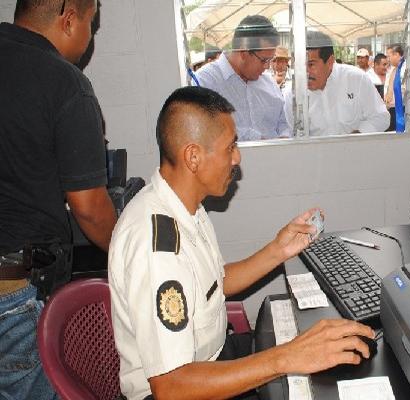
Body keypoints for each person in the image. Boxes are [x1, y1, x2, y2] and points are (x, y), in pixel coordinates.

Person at [108, 86, 375, 400]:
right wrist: (287, 357)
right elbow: (171, 387)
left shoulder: (185, 207)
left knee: (327, 363)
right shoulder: (156, 246)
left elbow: (216, 283)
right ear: (193, 156)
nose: (237, 157)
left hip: (211, 360)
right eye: (230, 146)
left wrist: (279, 249)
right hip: (184, 386)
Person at [0, 0, 117, 398]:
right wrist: (128, 251)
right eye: (91, 25)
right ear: (70, 20)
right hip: (12, 289)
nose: (89, 39)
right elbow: (88, 206)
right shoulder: (65, 82)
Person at [193, 15, 290, 141]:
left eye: (270, 60)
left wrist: (284, 137)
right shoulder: (205, 82)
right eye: (264, 60)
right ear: (243, 52)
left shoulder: (269, 83)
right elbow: (204, 129)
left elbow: (284, 123)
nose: (267, 67)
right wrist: (259, 140)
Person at [284, 31, 389, 136]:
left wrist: (357, 135)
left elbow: (381, 117)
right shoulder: (293, 94)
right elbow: (293, 135)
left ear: (330, 61)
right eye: (300, 65)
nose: (305, 72)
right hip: (314, 151)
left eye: (311, 65)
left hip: (354, 150)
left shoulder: (356, 79)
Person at [385, 45, 407, 132]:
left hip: (401, 109)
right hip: (392, 109)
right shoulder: (393, 70)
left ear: (396, 54)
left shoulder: (405, 69)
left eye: (389, 56)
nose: (388, 59)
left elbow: (403, 89)